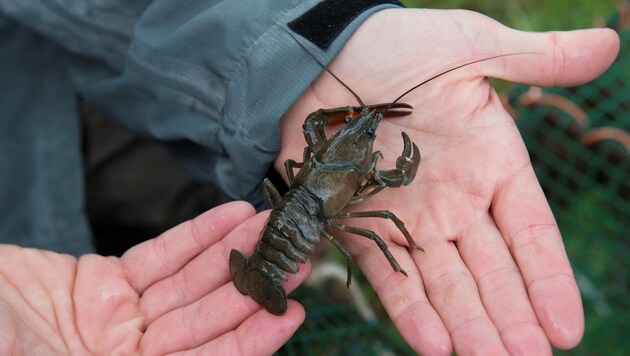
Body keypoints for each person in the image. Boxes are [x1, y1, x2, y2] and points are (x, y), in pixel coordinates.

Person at [0, 1, 620, 355]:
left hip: (267, 208)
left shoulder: (321, 149)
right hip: (288, 225)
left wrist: (308, 52)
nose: (358, 133)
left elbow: (320, 135)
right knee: (375, 233)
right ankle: (303, 274)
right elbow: (386, 204)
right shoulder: (366, 184)